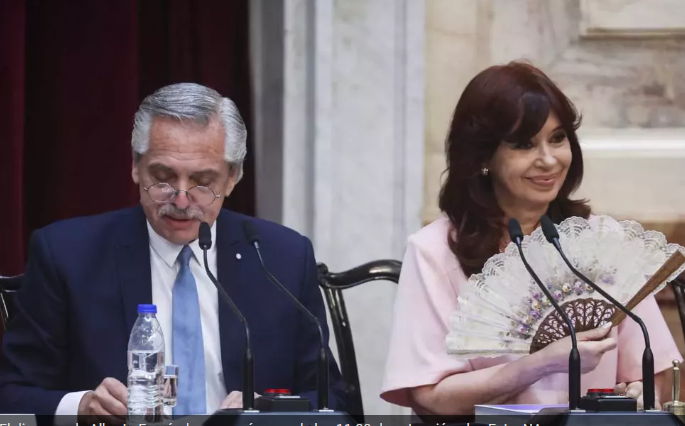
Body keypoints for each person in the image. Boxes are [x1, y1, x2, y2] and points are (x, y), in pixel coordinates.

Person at [0, 83, 346, 417]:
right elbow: (11, 395)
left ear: (232, 178)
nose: (181, 200)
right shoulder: (68, 255)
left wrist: (267, 411)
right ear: (136, 166)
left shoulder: (281, 259)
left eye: (203, 182)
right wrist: (82, 407)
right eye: (163, 177)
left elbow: (331, 397)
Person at [380, 62, 682, 416]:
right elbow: (430, 397)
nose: (549, 160)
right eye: (524, 144)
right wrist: (538, 364)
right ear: (483, 157)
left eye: (558, 138)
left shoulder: (603, 242)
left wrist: (640, 392)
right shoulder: (434, 252)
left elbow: (656, 372)